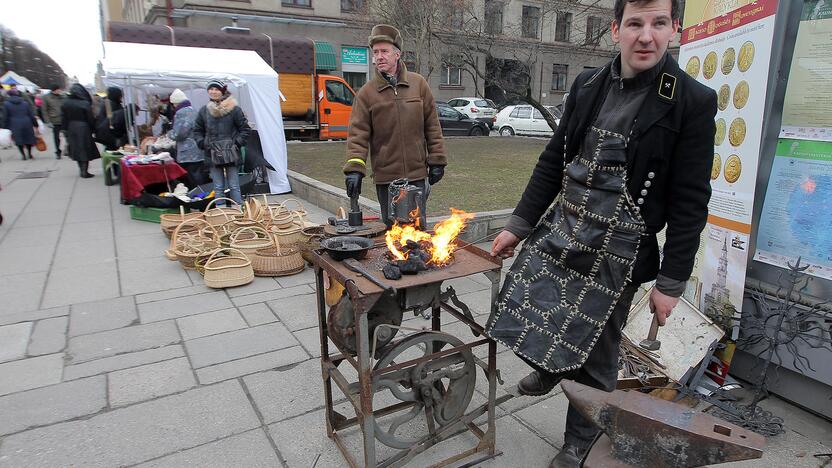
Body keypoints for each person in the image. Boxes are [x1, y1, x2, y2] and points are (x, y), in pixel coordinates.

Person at [484, 0, 717, 465]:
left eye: (658, 24)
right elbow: (555, 158)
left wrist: (671, 283)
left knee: (598, 350)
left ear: (674, 28)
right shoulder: (587, 84)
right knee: (531, 302)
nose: (646, 36)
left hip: (621, 250)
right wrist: (519, 223)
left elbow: (691, 201)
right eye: (635, 23)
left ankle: (580, 439)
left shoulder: (691, 100)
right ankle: (553, 366)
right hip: (566, 227)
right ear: (616, 29)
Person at [343, 24, 446, 228]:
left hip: (417, 175)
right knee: (393, 232)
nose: (379, 56)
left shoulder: (419, 85)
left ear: (397, 54)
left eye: (384, 51)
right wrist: (354, 169)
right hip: (386, 179)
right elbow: (358, 135)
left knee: (417, 230)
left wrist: (437, 160)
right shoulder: (366, 93)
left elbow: (432, 126)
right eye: (376, 52)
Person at [193, 79, 250, 205]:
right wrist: (203, 143)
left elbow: (245, 129)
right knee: (218, 187)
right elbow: (197, 130)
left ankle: (237, 214)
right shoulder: (204, 111)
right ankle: (221, 215)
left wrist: (236, 144)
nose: (213, 92)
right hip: (212, 153)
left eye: (216, 89)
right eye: (211, 89)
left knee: (234, 185)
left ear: (222, 91)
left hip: (231, 153)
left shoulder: (234, 109)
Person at [168, 89, 205, 186]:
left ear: (176, 102)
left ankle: (196, 196)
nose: (173, 106)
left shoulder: (181, 112)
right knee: (198, 176)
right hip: (198, 149)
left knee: (192, 178)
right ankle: (202, 195)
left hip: (188, 153)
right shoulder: (193, 110)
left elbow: (180, 134)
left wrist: (169, 133)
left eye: (173, 104)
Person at [61, 84, 100, 178]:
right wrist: (93, 128)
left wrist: (65, 129)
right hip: (83, 127)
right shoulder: (84, 103)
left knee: (76, 149)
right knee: (85, 149)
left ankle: (81, 169)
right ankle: (84, 171)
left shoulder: (66, 103)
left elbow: (63, 118)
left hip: (71, 127)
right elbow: (90, 118)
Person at [1, 88, 39, 160]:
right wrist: (35, 124)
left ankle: (23, 155)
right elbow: (30, 114)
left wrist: (3, 126)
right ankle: (29, 153)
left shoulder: (6, 104)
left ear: (9, 95)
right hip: (27, 122)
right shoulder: (25, 103)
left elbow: (5, 116)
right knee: (28, 138)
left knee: (19, 139)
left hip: (14, 123)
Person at [95, 86, 128, 151]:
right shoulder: (111, 105)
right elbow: (115, 121)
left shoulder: (107, 103)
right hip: (110, 133)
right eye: (120, 95)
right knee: (113, 149)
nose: (122, 97)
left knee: (109, 149)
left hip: (105, 133)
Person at [41, 84, 66, 159]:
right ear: (54, 90)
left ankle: (69, 149)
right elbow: (44, 110)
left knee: (68, 136)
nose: (59, 91)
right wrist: (47, 121)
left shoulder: (62, 96)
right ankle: (58, 151)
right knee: (56, 137)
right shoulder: (46, 97)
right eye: (58, 89)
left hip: (64, 119)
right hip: (54, 120)